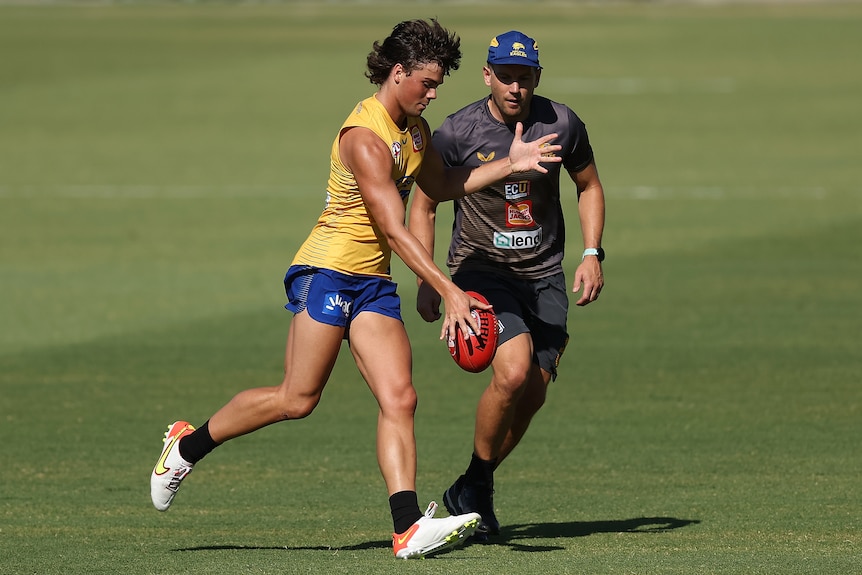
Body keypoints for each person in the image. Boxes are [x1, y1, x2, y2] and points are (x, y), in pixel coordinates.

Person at [149, 20, 562, 560]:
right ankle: (185, 445)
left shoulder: (414, 129)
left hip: (372, 282)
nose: (434, 94)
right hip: (327, 271)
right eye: (428, 83)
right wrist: (448, 289)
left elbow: (438, 187)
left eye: (439, 85)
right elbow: (393, 227)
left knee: (401, 397)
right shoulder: (365, 139)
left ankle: (407, 528)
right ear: (398, 74)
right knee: (298, 399)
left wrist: (511, 163)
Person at [408, 30, 606, 540]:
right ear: (487, 75)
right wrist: (428, 279)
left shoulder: (561, 122)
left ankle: (473, 484)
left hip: (544, 275)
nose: (515, 87)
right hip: (481, 271)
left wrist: (591, 252)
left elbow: (588, 185)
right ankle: (477, 489)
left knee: (533, 394)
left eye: (525, 77)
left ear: (537, 77)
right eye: (506, 76)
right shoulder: (456, 133)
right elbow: (425, 203)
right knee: (513, 372)